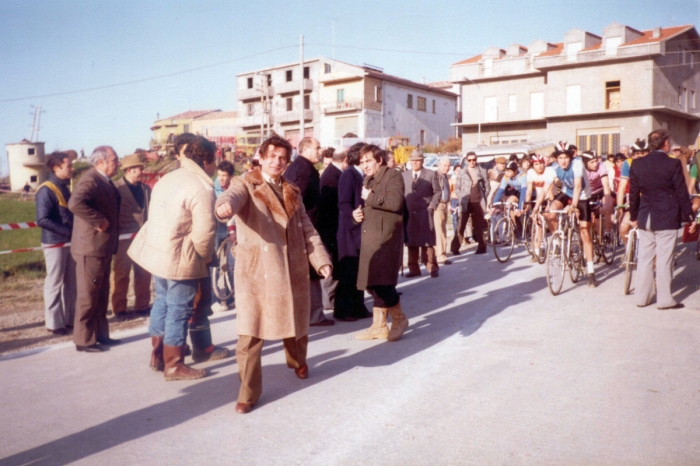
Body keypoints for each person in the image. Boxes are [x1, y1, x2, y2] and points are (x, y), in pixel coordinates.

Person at [214, 135, 332, 414]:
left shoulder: (293, 190)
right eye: (272, 156)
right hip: (257, 271)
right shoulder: (245, 183)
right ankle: (248, 393)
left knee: (294, 325)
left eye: (282, 158)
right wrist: (224, 207)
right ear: (260, 156)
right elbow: (231, 196)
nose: (277, 162)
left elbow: (307, 230)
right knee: (250, 335)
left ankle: (297, 361)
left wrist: (321, 261)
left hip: (291, 267)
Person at [129, 134, 218, 380]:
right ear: (206, 160)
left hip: (159, 253)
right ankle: (174, 365)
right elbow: (204, 233)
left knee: (162, 302)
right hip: (181, 257)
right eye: (215, 160)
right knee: (179, 308)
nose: (216, 165)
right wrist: (207, 257)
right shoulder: (201, 186)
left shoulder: (167, 178)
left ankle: (157, 356)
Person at [630, 129, 695, 309]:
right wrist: (690, 216)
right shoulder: (672, 164)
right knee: (665, 258)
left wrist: (634, 215)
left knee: (645, 258)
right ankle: (665, 299)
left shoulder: (637, 164)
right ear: (666, 144)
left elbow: (633, 193)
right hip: (666, 216)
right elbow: (681, 192)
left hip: (645, 216)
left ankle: (642, 297)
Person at [68, 146, 121, 352]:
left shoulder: (103, 180)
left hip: (101, 247)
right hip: (90, 248)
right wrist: (99, 221)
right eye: (114, 160)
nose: (118, 164)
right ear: (101, 162)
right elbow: (75, 203)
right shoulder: (90, 179)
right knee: (88, 296)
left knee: (101, 294)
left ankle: (100, 335)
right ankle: (83, 340)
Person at [353, 145, 407, 341]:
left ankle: (399, 319)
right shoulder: (368, 179)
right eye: (362, 162)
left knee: (383, 282)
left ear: (379, 160)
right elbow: (371, 207)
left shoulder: (393, 175)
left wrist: (371, 197)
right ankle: (379, 326)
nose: (364, 165)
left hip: (386, 238)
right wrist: (356, 215)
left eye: (368, 161)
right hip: (371, 237)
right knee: (373, 283)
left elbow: (395, 203)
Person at [284, 137, 334, 326]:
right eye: (317, 148)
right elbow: (299, 200)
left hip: (299, 226)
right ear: (304, 149)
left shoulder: (296, 166)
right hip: (306, 226)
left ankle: (307, 314)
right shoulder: (305, 170)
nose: (319, 151)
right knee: (312, 272)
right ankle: (314, 316)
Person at [532, 147, 596, 287]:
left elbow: (578, 186)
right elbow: (544, 189)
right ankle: (559, 239)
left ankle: (591, 271)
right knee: (550, 212)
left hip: (582, 195)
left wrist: (573, 206)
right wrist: (536, 207)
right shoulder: (552, 168)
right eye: (560, 158)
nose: (563, 161)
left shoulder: (577, 163)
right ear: (556, 158)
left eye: (566, 157)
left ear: (571, 157)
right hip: (566, 193)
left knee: (585, 232)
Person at [36, 151, 76, 335]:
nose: (72, 168)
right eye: (68, 166)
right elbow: (42, 219)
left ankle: (70, 320)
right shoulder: (46, 189)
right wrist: (68, 232)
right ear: (56, 167)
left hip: (67, 242)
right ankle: (54, 323)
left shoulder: (63, 186)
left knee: (71, 282)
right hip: (55, 243)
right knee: (54, 282)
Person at [111, 153, 152, 321]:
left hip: (143, 237)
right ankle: (119, 309)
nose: (141, 171)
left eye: (142, 168)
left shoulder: (146, 189)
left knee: (144, 273)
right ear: (128, 170)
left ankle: (142, 305)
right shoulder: (116, 188)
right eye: (138, 168)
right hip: (123, 239)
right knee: (121, 274)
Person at [335, 143, 371, 321]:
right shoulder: (349, 174)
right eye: (364, 156)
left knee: (359, 271)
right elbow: (343, 202)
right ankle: (342, 311)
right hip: (349, 231)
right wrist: (352, 214)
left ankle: (358, 307)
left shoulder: (360, 173)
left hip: (358, 230)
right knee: (348, 273)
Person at [316, 148, 347, 315]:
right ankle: (328, 300)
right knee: (331, 262)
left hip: (330, 227)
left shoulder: (332, 174)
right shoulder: (332, 176)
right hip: (330, 228)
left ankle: (329, 299)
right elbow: (330, 206)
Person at [402, 150, 440, 278]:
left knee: (427, 242)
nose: (414, 162)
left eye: (417, 160)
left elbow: (438, 192)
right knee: (411, 241)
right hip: (409, 213)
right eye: (412, 160)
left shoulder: (430, 174)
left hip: (425, 212)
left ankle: (432, 267)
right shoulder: (404, 175)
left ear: (422, 161)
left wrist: (432, 206)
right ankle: (414, 269)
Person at [452, 152, 490, 255]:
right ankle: (455, 248)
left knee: (478, 226)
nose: (472, 162)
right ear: (466, 161)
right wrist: (461, 197)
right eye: (470, 160)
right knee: (461, 225)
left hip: (477, 202)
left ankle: (482, 247)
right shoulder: (462, 172)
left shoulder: (482, 171)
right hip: (465, 202)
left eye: (474, 160)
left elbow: (487, 186)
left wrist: (484, 196)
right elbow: (457, 187)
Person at [211, 160, 235, 313]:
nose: (221, 178)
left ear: (230, 176)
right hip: (217, 228)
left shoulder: (235, 189)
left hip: (232, 228)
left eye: (225, 175)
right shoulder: (212, 188)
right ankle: (216, 299)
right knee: (215, 264)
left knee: (232, 264)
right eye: (219, 175)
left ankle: (231, 297)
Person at [581, 150, 613, 236]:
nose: (595, 164)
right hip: (587, 192)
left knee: (607, 208)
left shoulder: (601, 166)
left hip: (600, 190)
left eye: (596, 161)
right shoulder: (581, 168)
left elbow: (606, 185)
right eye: (592, 162)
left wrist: (606, 203)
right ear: (585, 163)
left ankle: (607, 232)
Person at [433, 157, 452, 265]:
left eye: (448, 166)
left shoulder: (444, 176)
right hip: (439, 205)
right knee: (439, 231)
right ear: (439, 165)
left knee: (443, 230)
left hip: (444, 205)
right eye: (444, 165)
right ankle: (440, 256)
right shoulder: (436, 175)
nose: (447, 167)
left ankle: (442, 253)